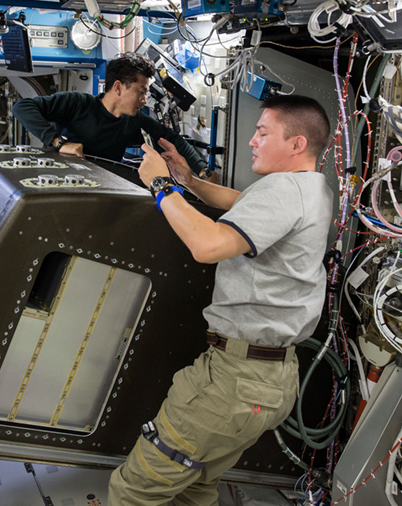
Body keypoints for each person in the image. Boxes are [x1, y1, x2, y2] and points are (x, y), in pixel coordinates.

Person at [107, 95, 333, 505]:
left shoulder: (284, 191)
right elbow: (241, 204)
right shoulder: (311, 188)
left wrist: (159, 186)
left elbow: (207, 244)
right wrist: (188, 181)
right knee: (194, 489)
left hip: (233, 382)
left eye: (263, 132)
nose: (252, 140)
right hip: (270, 380)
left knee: (135, 490)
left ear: (297, 144)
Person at [11, 52, 209, 177]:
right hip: (63, 183)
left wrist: (202, 170)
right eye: (141, 92)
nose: (144, 100)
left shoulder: (134, 121)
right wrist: (57, 142)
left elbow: (172, 139)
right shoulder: (77, 103)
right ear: (118, 87)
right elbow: (22, 107)